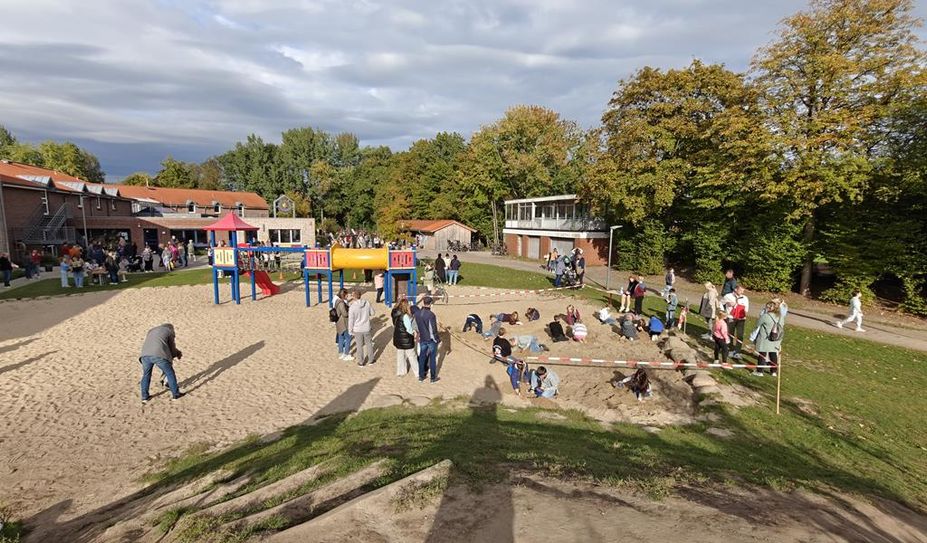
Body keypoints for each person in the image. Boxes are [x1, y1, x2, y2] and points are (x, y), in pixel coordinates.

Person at [138, 323, 185, 403]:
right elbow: (172, 347)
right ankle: (175, 394)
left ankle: (144, 397)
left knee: (146, 375)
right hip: (159, 355)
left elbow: (154, 342)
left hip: (144, 355)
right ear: (171, 329)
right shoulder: (169, 331)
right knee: (170, 373)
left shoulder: (151, 330)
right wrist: (177, 354)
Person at [753, 301, 784, 376]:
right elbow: (782, 326)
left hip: (765, 338)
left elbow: (758, 324)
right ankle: (773, 371)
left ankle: (760, 371)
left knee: (762, 354)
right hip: (776, 339)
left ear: (770, 308)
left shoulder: (765, 316)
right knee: (773, 354)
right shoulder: (780, 316)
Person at [416, 296, 441, 382]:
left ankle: (421, 376)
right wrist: (436, 339)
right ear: (430, 304)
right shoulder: (431, 315)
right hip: (430, 339)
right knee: (432, 359)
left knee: (422, 357)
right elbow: (432, 329)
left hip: (422, 338)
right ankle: (433, 378)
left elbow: (416, 327)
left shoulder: (417, 313)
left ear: (423, 302)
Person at [348, 290, 375, 367]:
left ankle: (361, 361)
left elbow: (351, 320)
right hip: (366, 327)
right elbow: (373, 313)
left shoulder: (352, 307)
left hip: (358, 329)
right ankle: (371, 360)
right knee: (369, 344)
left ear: (354, 297)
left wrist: (350, 330)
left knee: (359, 346)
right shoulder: (367, 303)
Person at [392, 299, 418, 377]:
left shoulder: (396, 314)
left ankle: (401, 372)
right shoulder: (405, 316)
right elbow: (409, 329)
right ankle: (417, 373)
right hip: (406, 338)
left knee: (400, 355)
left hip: (398, 337)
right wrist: (413, 333)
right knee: (412, 356)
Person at [723, 286, 750, 358]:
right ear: (735, 289)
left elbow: (746, 309)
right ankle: (730, 350)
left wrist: (743, 314)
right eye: (741, 290)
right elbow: (721, 303)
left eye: (743, 291)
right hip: (731, 318)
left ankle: (737, 351)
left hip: (741, 319)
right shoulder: (728, 296)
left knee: (740, 335)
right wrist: (723, 312)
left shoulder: (745, 298)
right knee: (730, 334)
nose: (742, 292)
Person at [334, 289, 352, 360]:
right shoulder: (341, 303)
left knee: (341, 337)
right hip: (343, 323)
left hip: (339, 322)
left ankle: (341, 352)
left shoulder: (337, 301)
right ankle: (346, 354)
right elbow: (344, 313)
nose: (348, 296)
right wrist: (349, 312)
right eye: (347, 294)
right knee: (348, 338)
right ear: (343, 295)